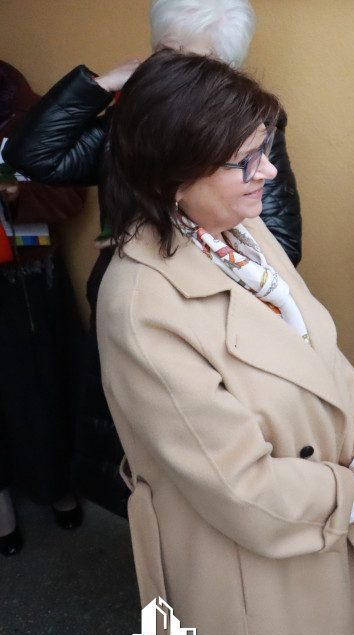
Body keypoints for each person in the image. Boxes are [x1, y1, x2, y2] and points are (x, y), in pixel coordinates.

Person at [96, 50, 354, 635]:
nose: (270, 171)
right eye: (246, 160)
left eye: (265, 148)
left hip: (312, 522)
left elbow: (321, 349)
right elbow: (239, 488)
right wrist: (348, 489)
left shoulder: (239, 233)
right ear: (172, 174)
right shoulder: (141, 305)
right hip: (244, 571)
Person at [3, 0, 302, 517]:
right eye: (165, 52)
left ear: (223, 67)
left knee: (204, 466)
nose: (171, 69)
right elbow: (33, 155)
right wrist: (103, 83)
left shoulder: (253, 129)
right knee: (137, 464)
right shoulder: (132, 119)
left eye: (193, 58)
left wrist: (151, 243)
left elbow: (278, 246)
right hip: (128, 308)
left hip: (208, 319)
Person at [0, 59, 88, 556]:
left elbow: (72, 196)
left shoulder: (27, 110)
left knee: (43, 382)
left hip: (29, 273)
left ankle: (57, 484)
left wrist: (18, 193)